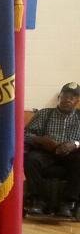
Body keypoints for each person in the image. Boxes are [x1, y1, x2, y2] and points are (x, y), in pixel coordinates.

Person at [23, 81, 80, 218]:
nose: (68, 99)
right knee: (31, 159)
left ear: (77, 101)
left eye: (72, 97)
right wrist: (41, 140)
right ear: (59, 97)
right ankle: (38, 201)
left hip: (72, 154)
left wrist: (75, 144)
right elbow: (25, 135)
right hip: (47, 153)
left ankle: (68, 203)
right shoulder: (44, 114)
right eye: (65, 95)